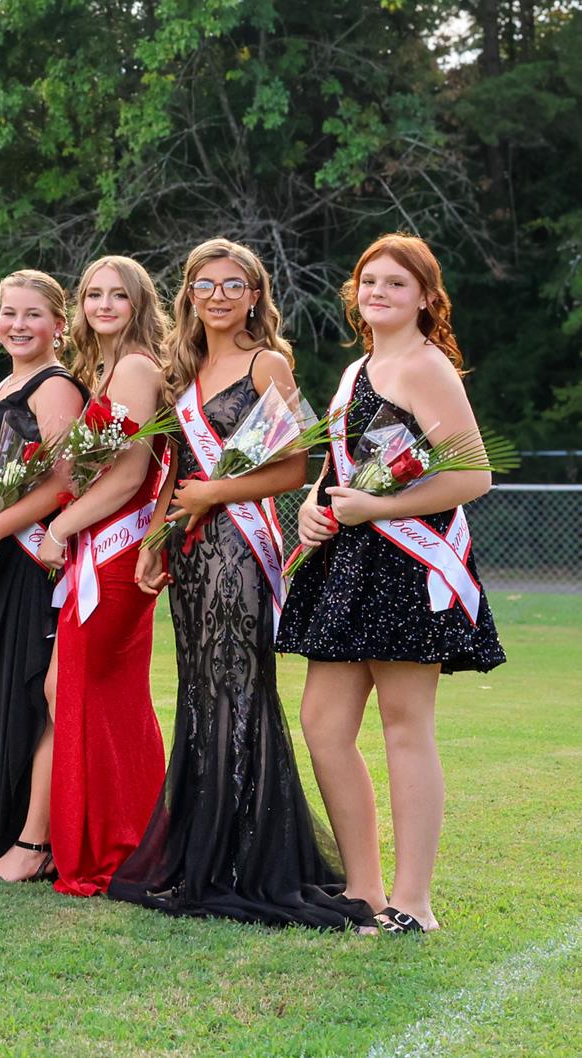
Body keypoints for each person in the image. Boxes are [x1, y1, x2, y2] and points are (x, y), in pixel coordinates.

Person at [113, 238, 369, 929]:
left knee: (239, 693)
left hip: (236, 545)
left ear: (255, 295)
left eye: (233, 285)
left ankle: (249, 863)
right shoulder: (182, 366)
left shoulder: (267, 364)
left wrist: (213, 495)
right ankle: (206, 857)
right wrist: (156, 537)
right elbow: (175, 468)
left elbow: (295, 468)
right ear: (188, 294)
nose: (218, 295)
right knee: (198, 692)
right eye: (205, 284)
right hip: (191, 548)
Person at [279, 234, 505, 935]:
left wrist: (377, 508)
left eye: (396, 284)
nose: (378, 292)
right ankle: (365, 890)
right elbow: (340, 469)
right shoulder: (359, 368)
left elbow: (473, 476)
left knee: (406, 728)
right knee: (323, 726)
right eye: (368, 281)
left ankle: (415, 902)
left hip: (407, 564)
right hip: (349, 562)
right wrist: (315, 509)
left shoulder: (426, 366)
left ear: (425, 299)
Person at [33, 256, 167, 894]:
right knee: (77, 690)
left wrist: (61, 528)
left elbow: (131, 473)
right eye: (93, 294)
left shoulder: (137, 367)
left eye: (118, 295)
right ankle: (122, 837)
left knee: (92, 691)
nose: (104, 304)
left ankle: (123, 845)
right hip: (100, 546)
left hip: (115, 552)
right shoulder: (106, 368)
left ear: (139, 303)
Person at [0, 270, 85, 881]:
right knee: (8, 689)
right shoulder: (5, 384)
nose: (17, 324)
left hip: (38, 559)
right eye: (8, 312)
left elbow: (64, 484)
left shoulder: (56, 387)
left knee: (38, 694)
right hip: (10, 559)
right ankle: (18, 833)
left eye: (32, 314)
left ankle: (37, 844)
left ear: (59, 325)